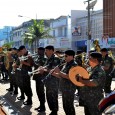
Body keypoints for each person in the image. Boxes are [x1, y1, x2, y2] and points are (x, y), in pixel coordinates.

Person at [51, 50, 78, 115]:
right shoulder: (66, 64)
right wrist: (54, 74)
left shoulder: (74, 65)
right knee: (65, 106)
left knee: (69, 106)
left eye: (66, 56)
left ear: (71, 56)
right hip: (64, 88)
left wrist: (59, 72)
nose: (64, 57)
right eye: (64, 56)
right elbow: (62, 76)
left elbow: (70, 77)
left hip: (69, 89)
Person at [39, 45, 60, 115]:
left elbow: (53, 70)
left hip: (53, 81)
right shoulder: (48, 59)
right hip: (48, 81)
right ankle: (52, 110)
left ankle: (54, 111)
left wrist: (44, 69)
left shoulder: (56, 58)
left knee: (53, 97)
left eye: (46, 50)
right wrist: (41, 70)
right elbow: (46, 69)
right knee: (48, 96)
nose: (45, 52)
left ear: (51, 50)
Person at [33, 47, 46, 112]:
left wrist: (33, 62)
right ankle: (41, 105)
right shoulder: (38, 57)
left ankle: (43, 106)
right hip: (37, 77)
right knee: (38, 92)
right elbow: (35, 66)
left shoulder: (44, 58)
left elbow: (40, 66)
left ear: (42, 51)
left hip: (41, 77)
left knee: (41, 92)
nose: (37, 52)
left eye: (38, 51)